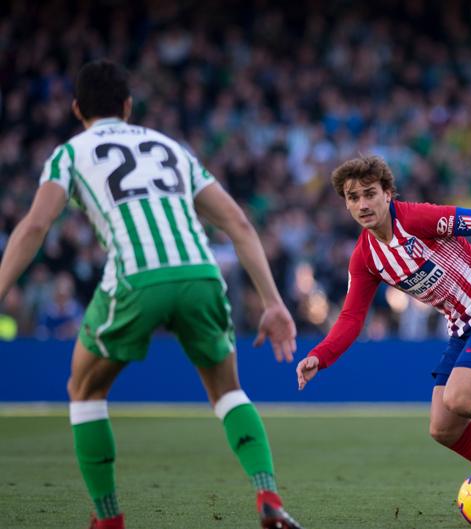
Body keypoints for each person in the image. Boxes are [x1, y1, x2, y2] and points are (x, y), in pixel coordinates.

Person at [0, 60, 304, 529]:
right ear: (128, 106)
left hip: (135, 277)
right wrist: (273, 302)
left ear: (76, 108)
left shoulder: (70, 153)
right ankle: (267, 493)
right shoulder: (170, 147)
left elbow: (37, 225)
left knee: (84, 391)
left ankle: (108, 519)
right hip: (202, 274)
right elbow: (238, 223)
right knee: (227, 392)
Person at [295, 154, 471, 519]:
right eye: (353, 198)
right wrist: (320, 356)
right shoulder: (366, 257)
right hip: (462, 326)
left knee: (460, 396)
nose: (362, 204)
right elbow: (352, 317)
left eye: (370, 194)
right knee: (443, 428)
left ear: (388, 193)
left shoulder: (416, 219)